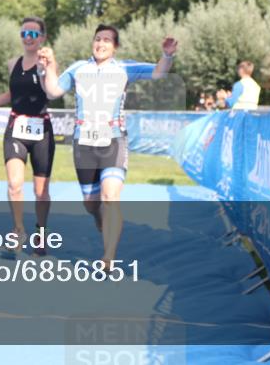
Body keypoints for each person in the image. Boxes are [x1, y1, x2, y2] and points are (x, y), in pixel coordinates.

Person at [39, 25, 177, 267]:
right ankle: (101, 221)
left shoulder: (125, 68)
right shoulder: (78, 68)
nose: (101, 43)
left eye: (107, 40)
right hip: (84, 143)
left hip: (113, 139)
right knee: (91, 204)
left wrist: (166, 55)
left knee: (111, 196)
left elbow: (159, 74)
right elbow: (52, 91)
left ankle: (108, 257)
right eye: (97, 39)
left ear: (115, 47)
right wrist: (48, 67)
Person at [0, 17, 54, 256]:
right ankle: (18, 230)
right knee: (14, 184)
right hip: (16, 127)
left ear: (42, 38)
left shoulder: (48, 63)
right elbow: (13, 91)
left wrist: (44, 69)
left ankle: (40, 233)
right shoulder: (13, 63)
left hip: (41, 130)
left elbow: (50, 91)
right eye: (24, 34)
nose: (28, 38)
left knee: (41, 192)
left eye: (33, 34)